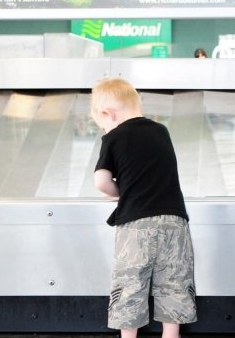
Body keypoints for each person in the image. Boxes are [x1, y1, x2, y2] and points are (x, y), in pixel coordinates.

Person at [91, 77, 197, 338]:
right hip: (175, 222)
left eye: (102, 122)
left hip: (136, 224)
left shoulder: (113, 137)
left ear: (108, 113)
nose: (104, 128)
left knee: (130, 286)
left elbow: (101, 182)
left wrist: (123, 193)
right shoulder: (161, 131)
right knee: (174, 284)